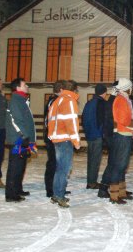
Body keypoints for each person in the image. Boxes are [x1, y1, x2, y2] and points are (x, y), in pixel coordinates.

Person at [47, 80, 81, 208]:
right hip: (65, 139)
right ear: (75, 90)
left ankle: (57, 194)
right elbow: (71, 122)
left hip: (57, 138)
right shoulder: (69, 100)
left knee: (59, 168)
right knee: (64, 169)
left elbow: (50, 120)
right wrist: (76, 140)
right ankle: (59, 196)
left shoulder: (57, 101)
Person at [5, 78, 36, 202]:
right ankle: (11, 194)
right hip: (18, 139)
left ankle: (17, 189)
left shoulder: (22, 100)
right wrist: (24, 136)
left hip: (22, 138)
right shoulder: (15, 101)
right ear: (18, 88)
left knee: (21, 165)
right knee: (15, 166)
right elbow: (16, 120)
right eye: (24, 84)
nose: (27, 86)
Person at [109, 78, 133, 204]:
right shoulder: (121, 100)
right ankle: (114, 196)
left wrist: (132, 129)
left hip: (124, 133)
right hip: (122, 134)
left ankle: (121, 192)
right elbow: (123, 120)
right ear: (127, 88)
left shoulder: (124, 99)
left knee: (122, 165)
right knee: (119, 165)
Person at [82, 84, 108, 189]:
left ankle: (90, 180)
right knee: (95, 160)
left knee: (91, 158)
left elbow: (83, 119)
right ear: (104, 92)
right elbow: (103, 121)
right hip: (97, 134)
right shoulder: (102, 104)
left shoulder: (89, 103)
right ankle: (92, 182)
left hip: (89, 134)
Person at [43, 80, 64, 197]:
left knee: (59, 163)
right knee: (52, 163)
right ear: (60, 90)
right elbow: (50, 120)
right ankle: (50, 189)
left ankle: (57, 187)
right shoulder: (54, 101)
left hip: (57, 137)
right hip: (52, 137)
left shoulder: (58, 100)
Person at [97, 81, 117, 199]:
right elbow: (110, 118)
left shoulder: (109, 101)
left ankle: (114, 187)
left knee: (116, 162)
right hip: (112, 135)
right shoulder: (111, 101)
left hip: (110, 134)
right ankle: (104, 187)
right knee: (113, 162)